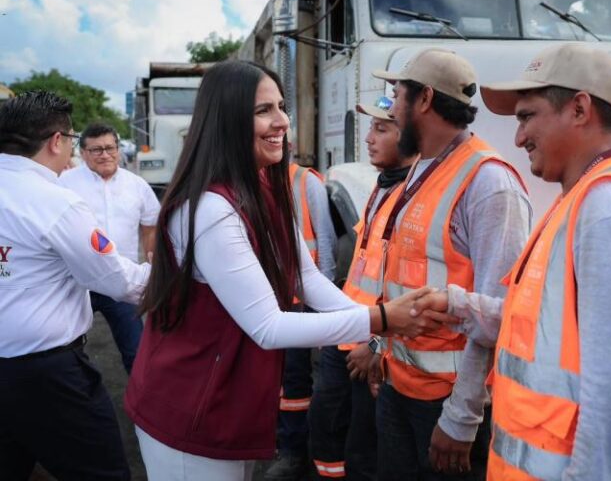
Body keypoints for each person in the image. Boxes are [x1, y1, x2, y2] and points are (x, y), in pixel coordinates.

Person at [122, 60, 455, 481]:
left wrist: (374, 331)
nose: (282, 121)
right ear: (226, 118)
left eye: (281, 106)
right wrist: (383, 318)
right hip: (190, 405)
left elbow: (306, 278)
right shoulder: (211, 208)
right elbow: (267, 326)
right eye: (263, 110)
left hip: (228, 398)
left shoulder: (265, 187)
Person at [416, 43, 611, 480]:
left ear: (579, 109)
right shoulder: (584, 199)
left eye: (526, 117)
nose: (518, 137)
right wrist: (462, 307)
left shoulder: (610, 210)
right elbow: (548, 327)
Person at [369, 49, 531, 480]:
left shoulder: (489, 184)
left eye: (396, 95)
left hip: (445, 408)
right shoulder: (423, 168)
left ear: (423, 99)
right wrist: (379, 351)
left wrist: (461, 418)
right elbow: (401, 278)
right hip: (398, 388)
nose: (390, 109)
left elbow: (499, 313)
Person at [0, 91, 150, 480]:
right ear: (55, 141)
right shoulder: (55, 202)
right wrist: (178, 273)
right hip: (46, 376)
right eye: (72, 139)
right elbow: (117, 279)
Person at [308, 95, 416, 481]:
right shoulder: (380, 188)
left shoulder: (411, 198)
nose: (369, 138)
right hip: (350, 330)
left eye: (381, 129)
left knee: (363, 447)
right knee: (328, 424)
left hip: (369, 342)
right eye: (371, 128)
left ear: (409, 134)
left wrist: (375, 346)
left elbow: (410, 289)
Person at [60, 122, 160, 373]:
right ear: (82, 153)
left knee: (136, 351)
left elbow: (150, 228)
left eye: (109, 148)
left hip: (121, 282)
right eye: (96, 150)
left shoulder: (137, 185)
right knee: (65, 350)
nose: (105, 154)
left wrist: (152, 266)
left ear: (118, 149)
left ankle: (143, 406)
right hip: (75, 283)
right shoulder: (63, 184)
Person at [265, 154, 337, 481]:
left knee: (295, 379)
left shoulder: (305, 182)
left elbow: (325, 242)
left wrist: (326, 310)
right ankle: (283, 444)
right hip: (265, 299)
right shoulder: (247, 181)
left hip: (301, 300)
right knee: (276, 379)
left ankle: (295, 450)